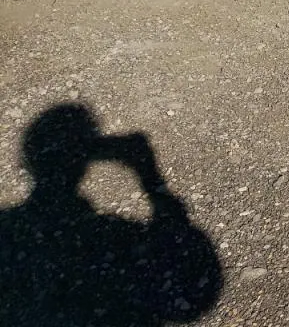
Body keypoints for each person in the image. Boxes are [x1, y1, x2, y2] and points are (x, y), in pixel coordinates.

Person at [0, 104, 222, 326]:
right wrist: (150, 176)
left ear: (29, 161)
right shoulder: (110, 238)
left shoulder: (8, 231)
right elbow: (189, 272)